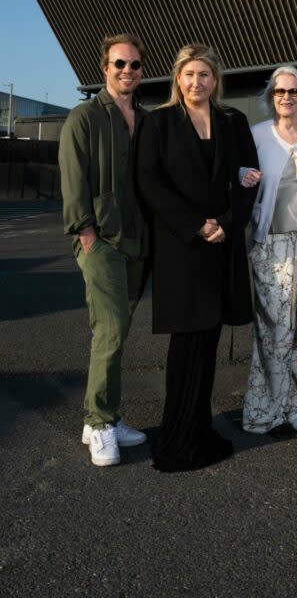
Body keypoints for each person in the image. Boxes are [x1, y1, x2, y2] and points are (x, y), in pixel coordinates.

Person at [136, 44, 257, 472]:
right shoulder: (159, 122)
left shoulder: (232, 121)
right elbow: (149, 183)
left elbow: (248, 179)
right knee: (185, 343)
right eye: (189, 75)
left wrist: (228, 221)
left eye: (204, 75)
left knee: (207, 341)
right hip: (182, 248)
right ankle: (176, 439)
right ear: (177, 78)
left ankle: (200, 428)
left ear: (215, 80)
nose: (196, 83)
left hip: (221, 245)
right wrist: (196, 225)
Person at [59, 33, 149, 467]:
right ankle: (97, 424)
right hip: (102, 242)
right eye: (119, 64)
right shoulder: (84, 117)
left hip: (139, 242)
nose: (126, 71)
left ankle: (107, 417)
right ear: (104, 68)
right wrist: (86, 234)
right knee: (110, 330)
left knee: (118, 333)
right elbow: (73, 179)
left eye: (134, 65)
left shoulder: (146, 119)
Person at [242, 66, 297, 436]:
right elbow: (237, 171)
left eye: (294, 91)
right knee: (274, 330)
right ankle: (271, 411)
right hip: (272, 243)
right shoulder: (258, 135)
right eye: (280, 92)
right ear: (271, 97)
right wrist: (241, 175)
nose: (287, 97)